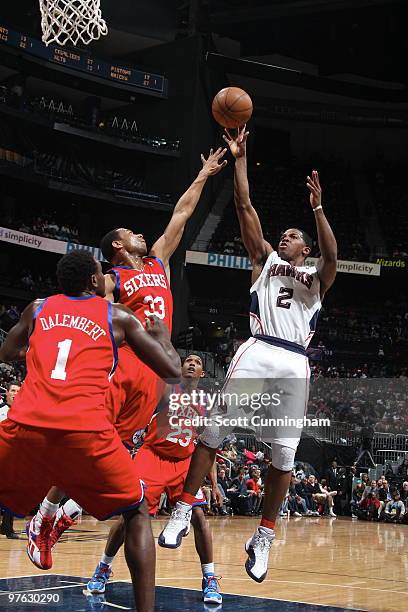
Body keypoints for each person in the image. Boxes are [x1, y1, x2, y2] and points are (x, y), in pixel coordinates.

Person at [30, 147, 228, 562]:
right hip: (124, 365)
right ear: (118, 245)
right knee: (90, 441)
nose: (140, 233)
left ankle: (65, 512)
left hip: (155, 374)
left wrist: (205, 174)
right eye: (130, 232)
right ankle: (47, 511)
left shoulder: (158, 262)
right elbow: (91, 315)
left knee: (114, 452)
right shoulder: (112, 278)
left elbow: (181, 214)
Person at [158, 124, 337, 583]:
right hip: (259, 351)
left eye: (295, 235)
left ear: (306, 248)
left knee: (284, 457)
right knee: (215, 429)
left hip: (294, 362)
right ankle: (182, 508)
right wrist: (239, 157)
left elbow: (333, 257)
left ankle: (263, 535)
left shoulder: (316, 279)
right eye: (286, 234)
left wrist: (317, 208)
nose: (286, 237)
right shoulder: (263, 260)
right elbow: (244, 204)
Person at [0, 251, 181, 612]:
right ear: (95, 282)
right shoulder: (119, 316)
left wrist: (38, 353)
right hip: (84, 430)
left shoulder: (37, 307)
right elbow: (173, 370)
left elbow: (7, 352)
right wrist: (163, 338)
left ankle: (46, 517)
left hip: (24, 425)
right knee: (136, 512)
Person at [88, 354, 222, 605]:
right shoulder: (166, 388)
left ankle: (210, 578)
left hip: (185, 463)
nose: (192, 364)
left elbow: (208, 446)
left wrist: (213, 484)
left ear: (203, 373)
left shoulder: (206, 402)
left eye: (197, 362)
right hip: (153, 456)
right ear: (180, 368)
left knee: (199, 517)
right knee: (130, 515)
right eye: (188, 361)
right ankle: (103, 567)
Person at [0, 381, 21, 539]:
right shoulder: (1, 411)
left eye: (18, 391)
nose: (15, 394)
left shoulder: (24, 414)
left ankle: (7, 527)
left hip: (14, 459)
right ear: (6, 393)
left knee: (11, 493)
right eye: (13, 390)